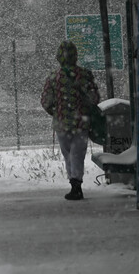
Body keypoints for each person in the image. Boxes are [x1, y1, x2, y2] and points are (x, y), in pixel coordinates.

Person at [40, 40, 100, 200]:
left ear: (59, 57)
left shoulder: (53, 77)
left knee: (68, 154)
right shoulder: (85, 75)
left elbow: (45, 101)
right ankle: (76, 183)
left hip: (61, 123)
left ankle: (74, 184)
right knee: (78, 153)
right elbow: (94, 98)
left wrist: (55, 111)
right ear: (76, 56)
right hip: (81, 122)